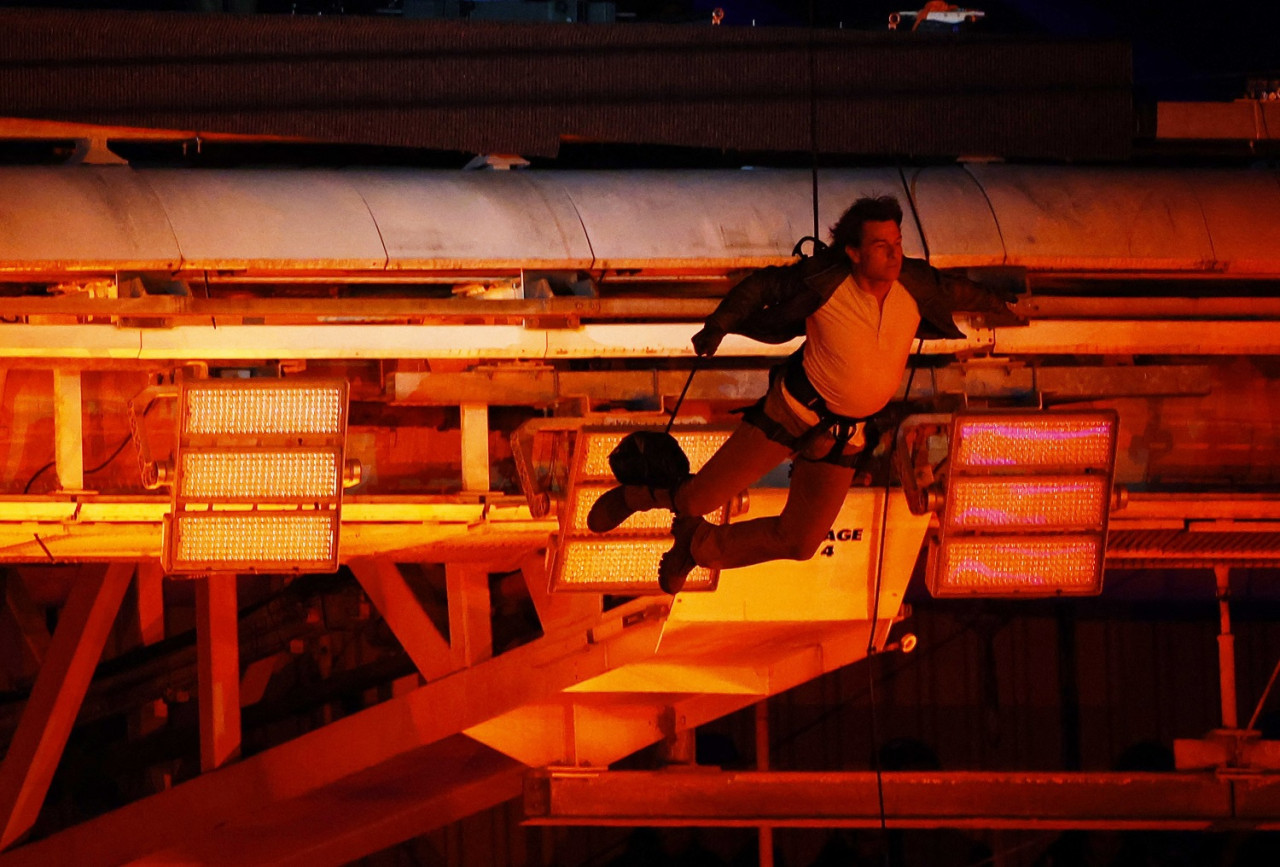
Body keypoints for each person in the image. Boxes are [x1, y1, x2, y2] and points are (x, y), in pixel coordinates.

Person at [587, 196, 1018, 593]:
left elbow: (958, 290)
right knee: (698, 497)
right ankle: (635, 497)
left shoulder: (914, 284)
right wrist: (719, 324)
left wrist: (1002, 303)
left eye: (897, 242)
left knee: (800, 540)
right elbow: (762, 288)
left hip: (847, 435)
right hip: (792, 411)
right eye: (881, 244)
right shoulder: (824, 282)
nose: (894, 253)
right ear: (853, 251)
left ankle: (699, 545)